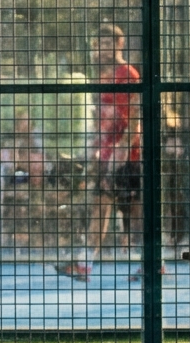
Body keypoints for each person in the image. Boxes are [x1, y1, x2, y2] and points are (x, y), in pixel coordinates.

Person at [57, 23, 142, 283]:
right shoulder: (100, 77)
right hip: (106, 153)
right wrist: (96, 150)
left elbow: (136, 114)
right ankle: (85, 264)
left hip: (129, 154)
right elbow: (99, 119)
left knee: (135, 211)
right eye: (98, 44)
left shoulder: (128, 74)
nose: (101, 49)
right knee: (100, 206)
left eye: (107, 44)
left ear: (119, 44)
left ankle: (153, 262)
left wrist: (123, 149)